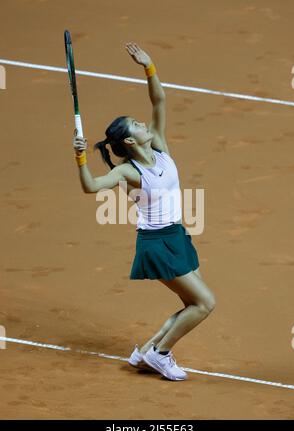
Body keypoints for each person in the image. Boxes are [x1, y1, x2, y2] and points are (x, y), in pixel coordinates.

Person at [73, 42, 216, 381]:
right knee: (205, 303)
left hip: (176, 236)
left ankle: (145, 352)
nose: (144, 123)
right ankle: (160, 354)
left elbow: (159, 100)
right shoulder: (130, 172)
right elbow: (91, 187)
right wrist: (80, 159)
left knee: (191, 304)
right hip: (156, 245)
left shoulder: (160, 147)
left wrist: (149, 67)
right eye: (137, 124)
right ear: (131, 142)